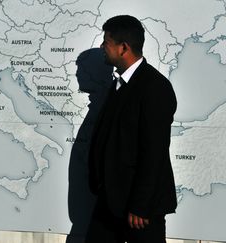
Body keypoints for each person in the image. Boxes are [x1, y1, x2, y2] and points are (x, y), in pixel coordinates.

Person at [85, 15, 177, 243]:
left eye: (106, 42)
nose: (102, 47)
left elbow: (154, 152)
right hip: (111, 201)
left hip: (139, 211)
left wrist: (140, 205)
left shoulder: (155, 87)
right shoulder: (120, 84)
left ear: (123, 47)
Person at [66, 48, 113, 243]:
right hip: (86, 218)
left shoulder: (108, 107)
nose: (77, 74)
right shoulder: (99, 104)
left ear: (97, 71)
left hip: (95, 218)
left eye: (83, 69)